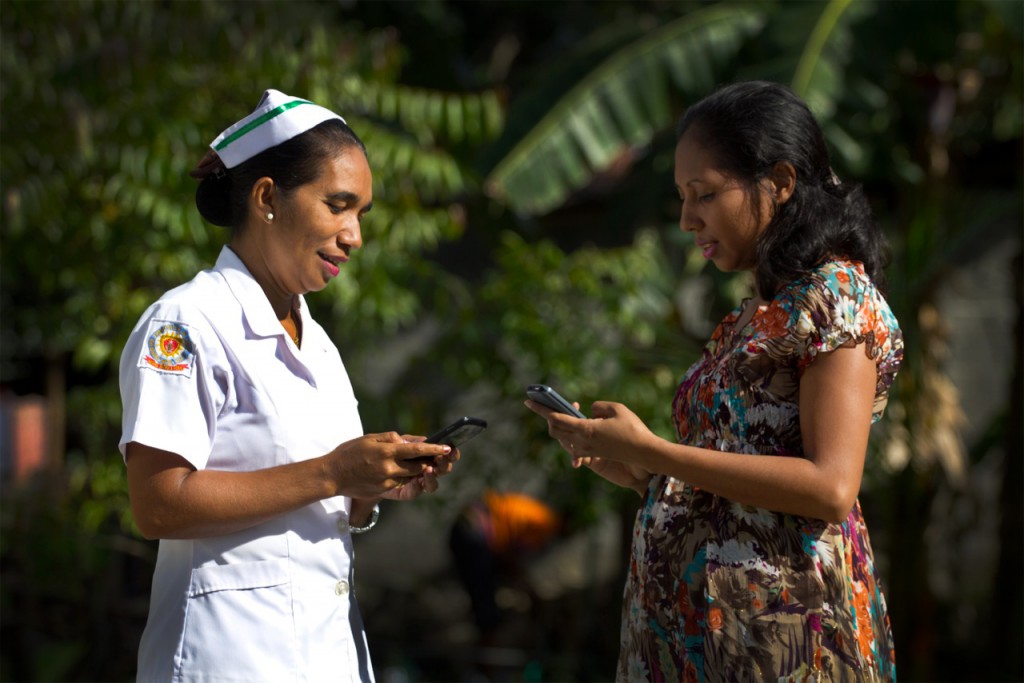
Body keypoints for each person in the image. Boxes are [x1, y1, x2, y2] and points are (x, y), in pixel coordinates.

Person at [526, 81, 903, 682]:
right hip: (697, 638)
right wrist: (634, 466)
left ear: (780, 182)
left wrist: (657, 451)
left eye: (703, 194)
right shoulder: (752, 316)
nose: (686, 218)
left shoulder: (837, 300)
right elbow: (732, 475)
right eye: (681, 196)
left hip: (785, 641)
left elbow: (831, 486)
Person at [119, 89, 458, 683]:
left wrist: (371, 486)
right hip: (227, 658)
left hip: (327, 657)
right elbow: (157, 504)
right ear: (268, 197)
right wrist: (334, 472)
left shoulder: (318, 342)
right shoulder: (186, 324)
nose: (354, 236)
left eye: (361, 215)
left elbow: (322, 502)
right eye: (338, 205)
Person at [448, 489, 563, 642]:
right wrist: (529, 592)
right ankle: (487, 647)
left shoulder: (541, 514)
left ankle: (483, 632)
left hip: (464, 525)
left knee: (478, 588)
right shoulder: (546, 525)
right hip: (477, 532)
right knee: (484, 595)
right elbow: (510, 559)